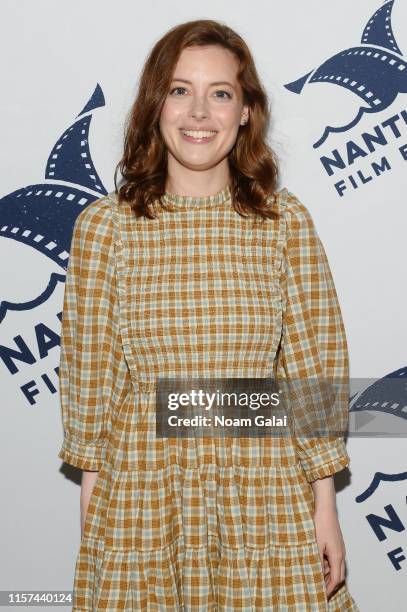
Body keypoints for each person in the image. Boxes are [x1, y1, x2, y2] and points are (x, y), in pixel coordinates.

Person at [58, 19, 360, 611]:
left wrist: (326, 506)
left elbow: (312, 368)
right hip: (146, 492)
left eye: (221, 93)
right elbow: (90, 379)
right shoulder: (106, 227)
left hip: (263, 488)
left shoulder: (283, 222)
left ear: (246, 111)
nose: (199, 112)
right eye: (179, 90)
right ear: (155, 105)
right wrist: (96, 527)